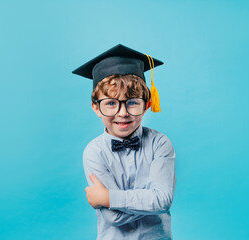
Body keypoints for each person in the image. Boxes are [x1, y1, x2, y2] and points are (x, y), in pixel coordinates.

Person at [72, 44, 176, 240]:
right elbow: (115, 217)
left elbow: (163, 201)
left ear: (147, 105)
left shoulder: (160, 144)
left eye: (132, 102)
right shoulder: (94, 152)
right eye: (111, 103)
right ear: (96, 107)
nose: (122, 112)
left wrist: (109, 198)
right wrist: (152, 200)